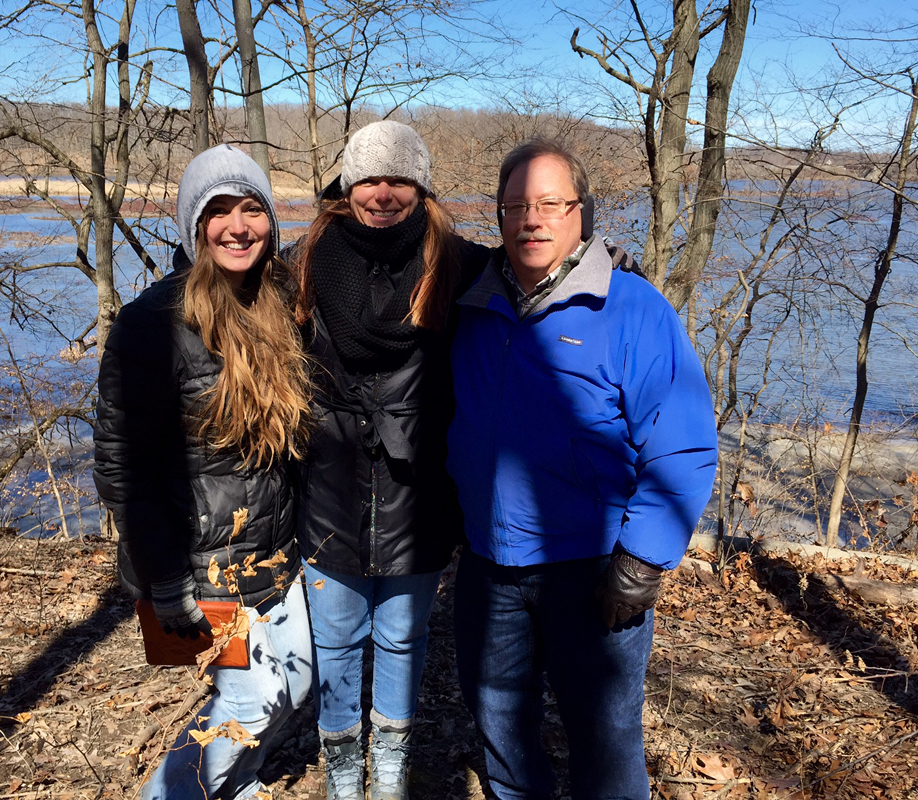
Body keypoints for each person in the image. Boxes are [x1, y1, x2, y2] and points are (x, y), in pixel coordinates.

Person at [446, 138, 719, 800]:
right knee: (501, 731)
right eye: (514, 206)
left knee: (603, 741)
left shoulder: (630, 308)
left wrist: (640, 562)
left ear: (581, 212)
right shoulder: (474, 303)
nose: (530, 220)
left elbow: (681, 445)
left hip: (592, 569)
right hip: (489, 564)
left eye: (549, 204)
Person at [93, 143, 314, 800]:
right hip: (200, 569)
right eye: (218, 211)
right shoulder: (150, 326)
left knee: (293, 686)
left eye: (252, 208)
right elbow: (121, 469)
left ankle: (233, 787)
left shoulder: (276, 299)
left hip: (273, 553)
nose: (237, 225)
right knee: (248, 706)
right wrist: (165, 581)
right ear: (194, 225)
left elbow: (364, 237)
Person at [289, 120, 487, 800]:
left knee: (403, 640)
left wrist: (600, 259)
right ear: (346, 187)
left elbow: (537, 277)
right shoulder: (303, 262)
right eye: (370, 177)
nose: (383, 191)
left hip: (418, 494)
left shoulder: (458, 263)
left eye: (398, 178)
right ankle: (344, 776)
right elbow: (223, 303)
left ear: (420, 188)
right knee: (337, 641)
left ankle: (391, 774)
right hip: (329, 490)